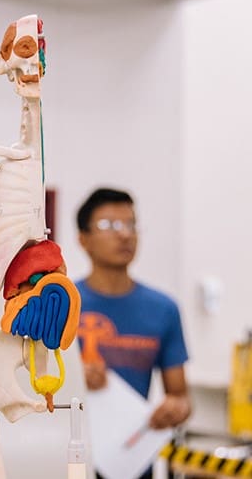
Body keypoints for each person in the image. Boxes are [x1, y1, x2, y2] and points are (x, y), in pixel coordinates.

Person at [75, 187, 191, 477]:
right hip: (67, 458)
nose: (124, 234)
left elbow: (180, 396)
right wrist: (74, 379)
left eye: (131, 224)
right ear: (83, 239)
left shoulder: (163, 309)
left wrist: (176, 409)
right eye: (109, 225)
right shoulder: (62, 304)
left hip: (131, 459)